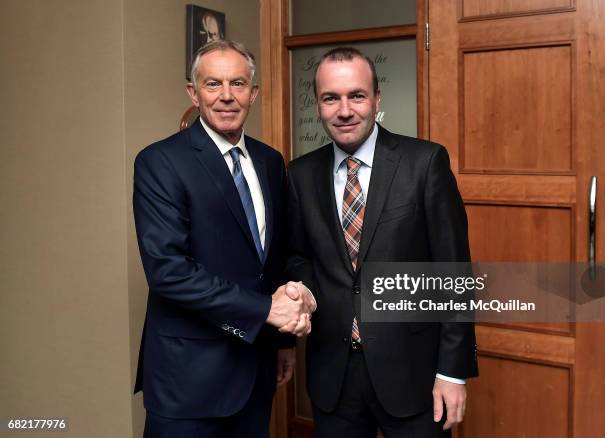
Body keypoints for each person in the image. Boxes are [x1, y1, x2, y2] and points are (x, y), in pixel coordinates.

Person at [286, 47, 478, 438]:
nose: (344, 110)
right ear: (318, 103)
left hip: (414, 375)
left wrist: (452, 371)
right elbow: (297, 257)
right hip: (334, 377)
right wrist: (304, 291)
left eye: (356, 95)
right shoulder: (300, 174)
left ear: (376, 98)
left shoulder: (425, 164)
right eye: (330, 98)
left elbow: (454, 273)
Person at [133, 40, 314, 438]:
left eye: (238, 84)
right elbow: (168, 271)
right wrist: (266, 311)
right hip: (188, 379)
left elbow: (275, 260)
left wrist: (281, 341)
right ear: (193, 92)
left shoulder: (269, 161)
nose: (226, 96)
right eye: (213, 84)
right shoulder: (160, 162)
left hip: (255, 370)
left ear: (254, 93)